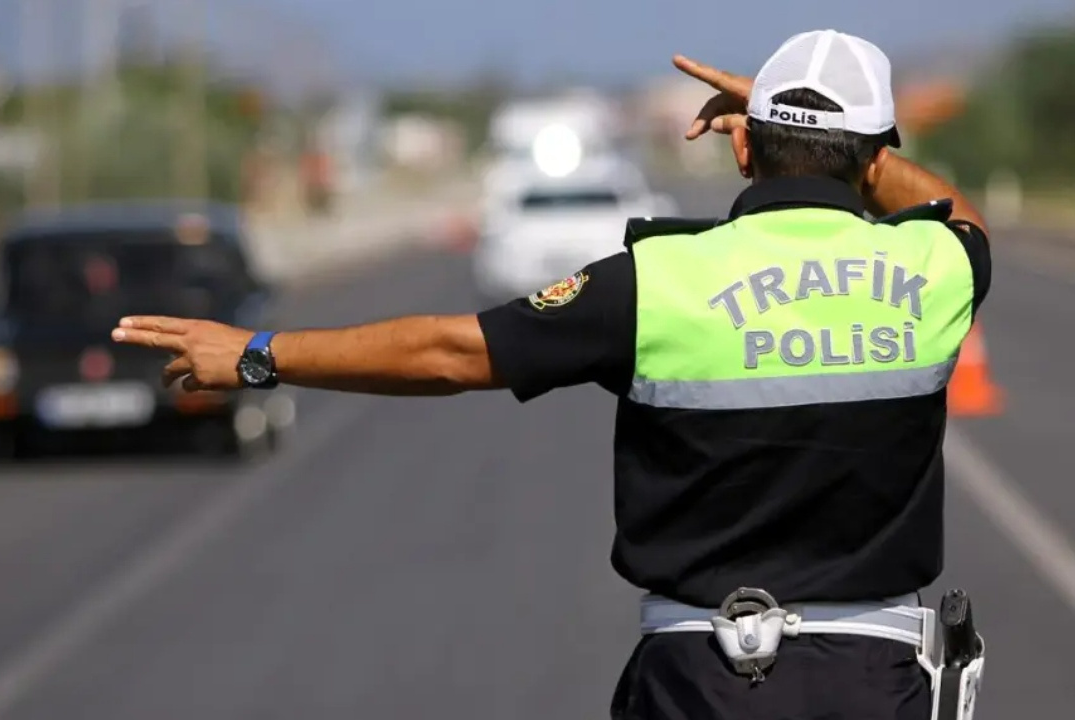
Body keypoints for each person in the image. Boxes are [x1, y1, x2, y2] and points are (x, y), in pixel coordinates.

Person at [112, 29, 989, 720]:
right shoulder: (936, 269)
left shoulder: (654, 282)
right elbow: (951, 210)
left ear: (742, 150)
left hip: (704, 681)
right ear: (874, 161)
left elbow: (449, 352)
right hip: (878, 683)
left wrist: (259, 354)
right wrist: (837, 144)